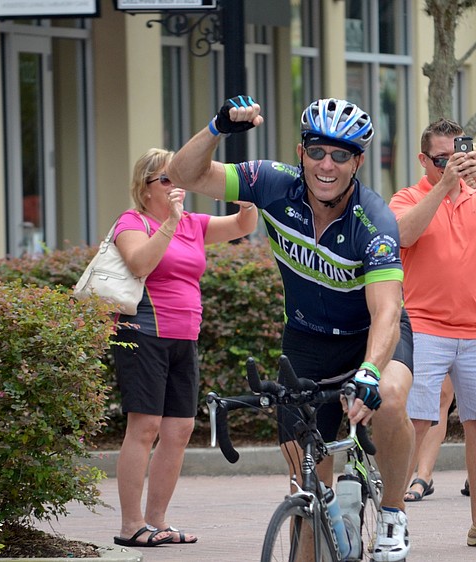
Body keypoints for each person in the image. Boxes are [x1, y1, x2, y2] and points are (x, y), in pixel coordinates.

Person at [168, 96, 415, 561]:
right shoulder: (271, 183)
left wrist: (369, 371)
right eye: (317, 151)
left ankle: (394, 513)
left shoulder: (374, 220)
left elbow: (386, 312)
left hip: (370, 337)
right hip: (305, 342)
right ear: (300, 151)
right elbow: (184, 174)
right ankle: (324, 524)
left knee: (392, 396)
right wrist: (216, 127)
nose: (327, 164)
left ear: (357, 161)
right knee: (307, 493)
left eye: (341, 155)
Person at [111, 148, 259, 548]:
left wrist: (247, 193)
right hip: (141, 333)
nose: (177, 186)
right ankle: (130, 525)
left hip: (183, 337)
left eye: (181, 178)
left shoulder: (194, 224)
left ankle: (156, 521)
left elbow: (243, 224)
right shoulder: (132, 222)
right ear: (145, 189)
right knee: (145, 427)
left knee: (179, 429)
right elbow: (140, 264)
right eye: (167, 179)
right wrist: (170, 222)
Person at [390, 120, 476, 549]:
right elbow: (402, 235)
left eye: (458, 157)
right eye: (441, 159)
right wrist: (442, 186)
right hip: (424, 328)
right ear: (423, 160)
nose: (451, 166)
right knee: (415, 422)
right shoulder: (406, 197)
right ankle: (393, 517)